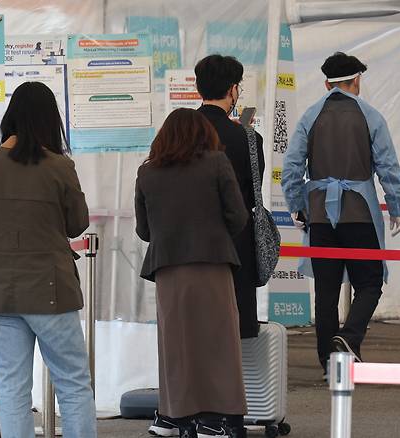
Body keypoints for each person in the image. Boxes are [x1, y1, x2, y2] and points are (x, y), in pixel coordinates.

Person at [0, 82, 96, 437]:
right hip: (50, 290)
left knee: (12, 386)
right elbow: (76, 223)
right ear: (49, 120)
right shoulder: (59, 167)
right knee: (73, 383)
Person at [281, 52, 400, 377]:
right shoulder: (371, 116)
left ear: (326, 83)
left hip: (321, 217)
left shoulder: (310, 115)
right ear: (356, 81)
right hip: (359, 214)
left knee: (325, 292)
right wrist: (395, 205)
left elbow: (291, 166)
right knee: (370, 283)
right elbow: (388, 166)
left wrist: (297, 205)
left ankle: (328, 364)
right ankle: (348, 337)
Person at [135, 108, 249, 438]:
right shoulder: (216, 162)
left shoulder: (148, 172)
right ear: (204, 134)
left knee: (176, 345)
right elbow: (238, 216)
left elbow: (144, 230)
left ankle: (173, 418)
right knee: (217, 342)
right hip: (212, 263)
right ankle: (213, 420)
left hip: (168, 268)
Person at [195, 54, 265, 339]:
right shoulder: (247, 138)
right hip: (234, 247)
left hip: (189, 247)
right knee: (233, 331)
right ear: (233, 89)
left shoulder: (177, 133)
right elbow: (253, 193)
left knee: (194, 331)